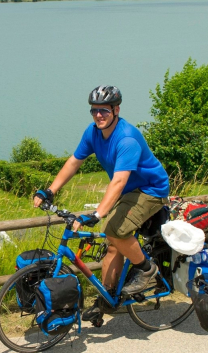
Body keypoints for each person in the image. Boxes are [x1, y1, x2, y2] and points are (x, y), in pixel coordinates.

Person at [33, 85, 170, 319]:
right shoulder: (93, 132)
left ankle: (147, 270)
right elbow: (74, 162)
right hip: (128, 190)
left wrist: (98, 214)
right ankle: (107, 298)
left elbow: (118, 182)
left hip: (150, 190)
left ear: (116, 110)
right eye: (94, 111)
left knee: (114, 229)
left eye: (104, 111)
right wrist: (50, 190)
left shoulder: (127, 139)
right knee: (113, 244)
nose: (98, 115)